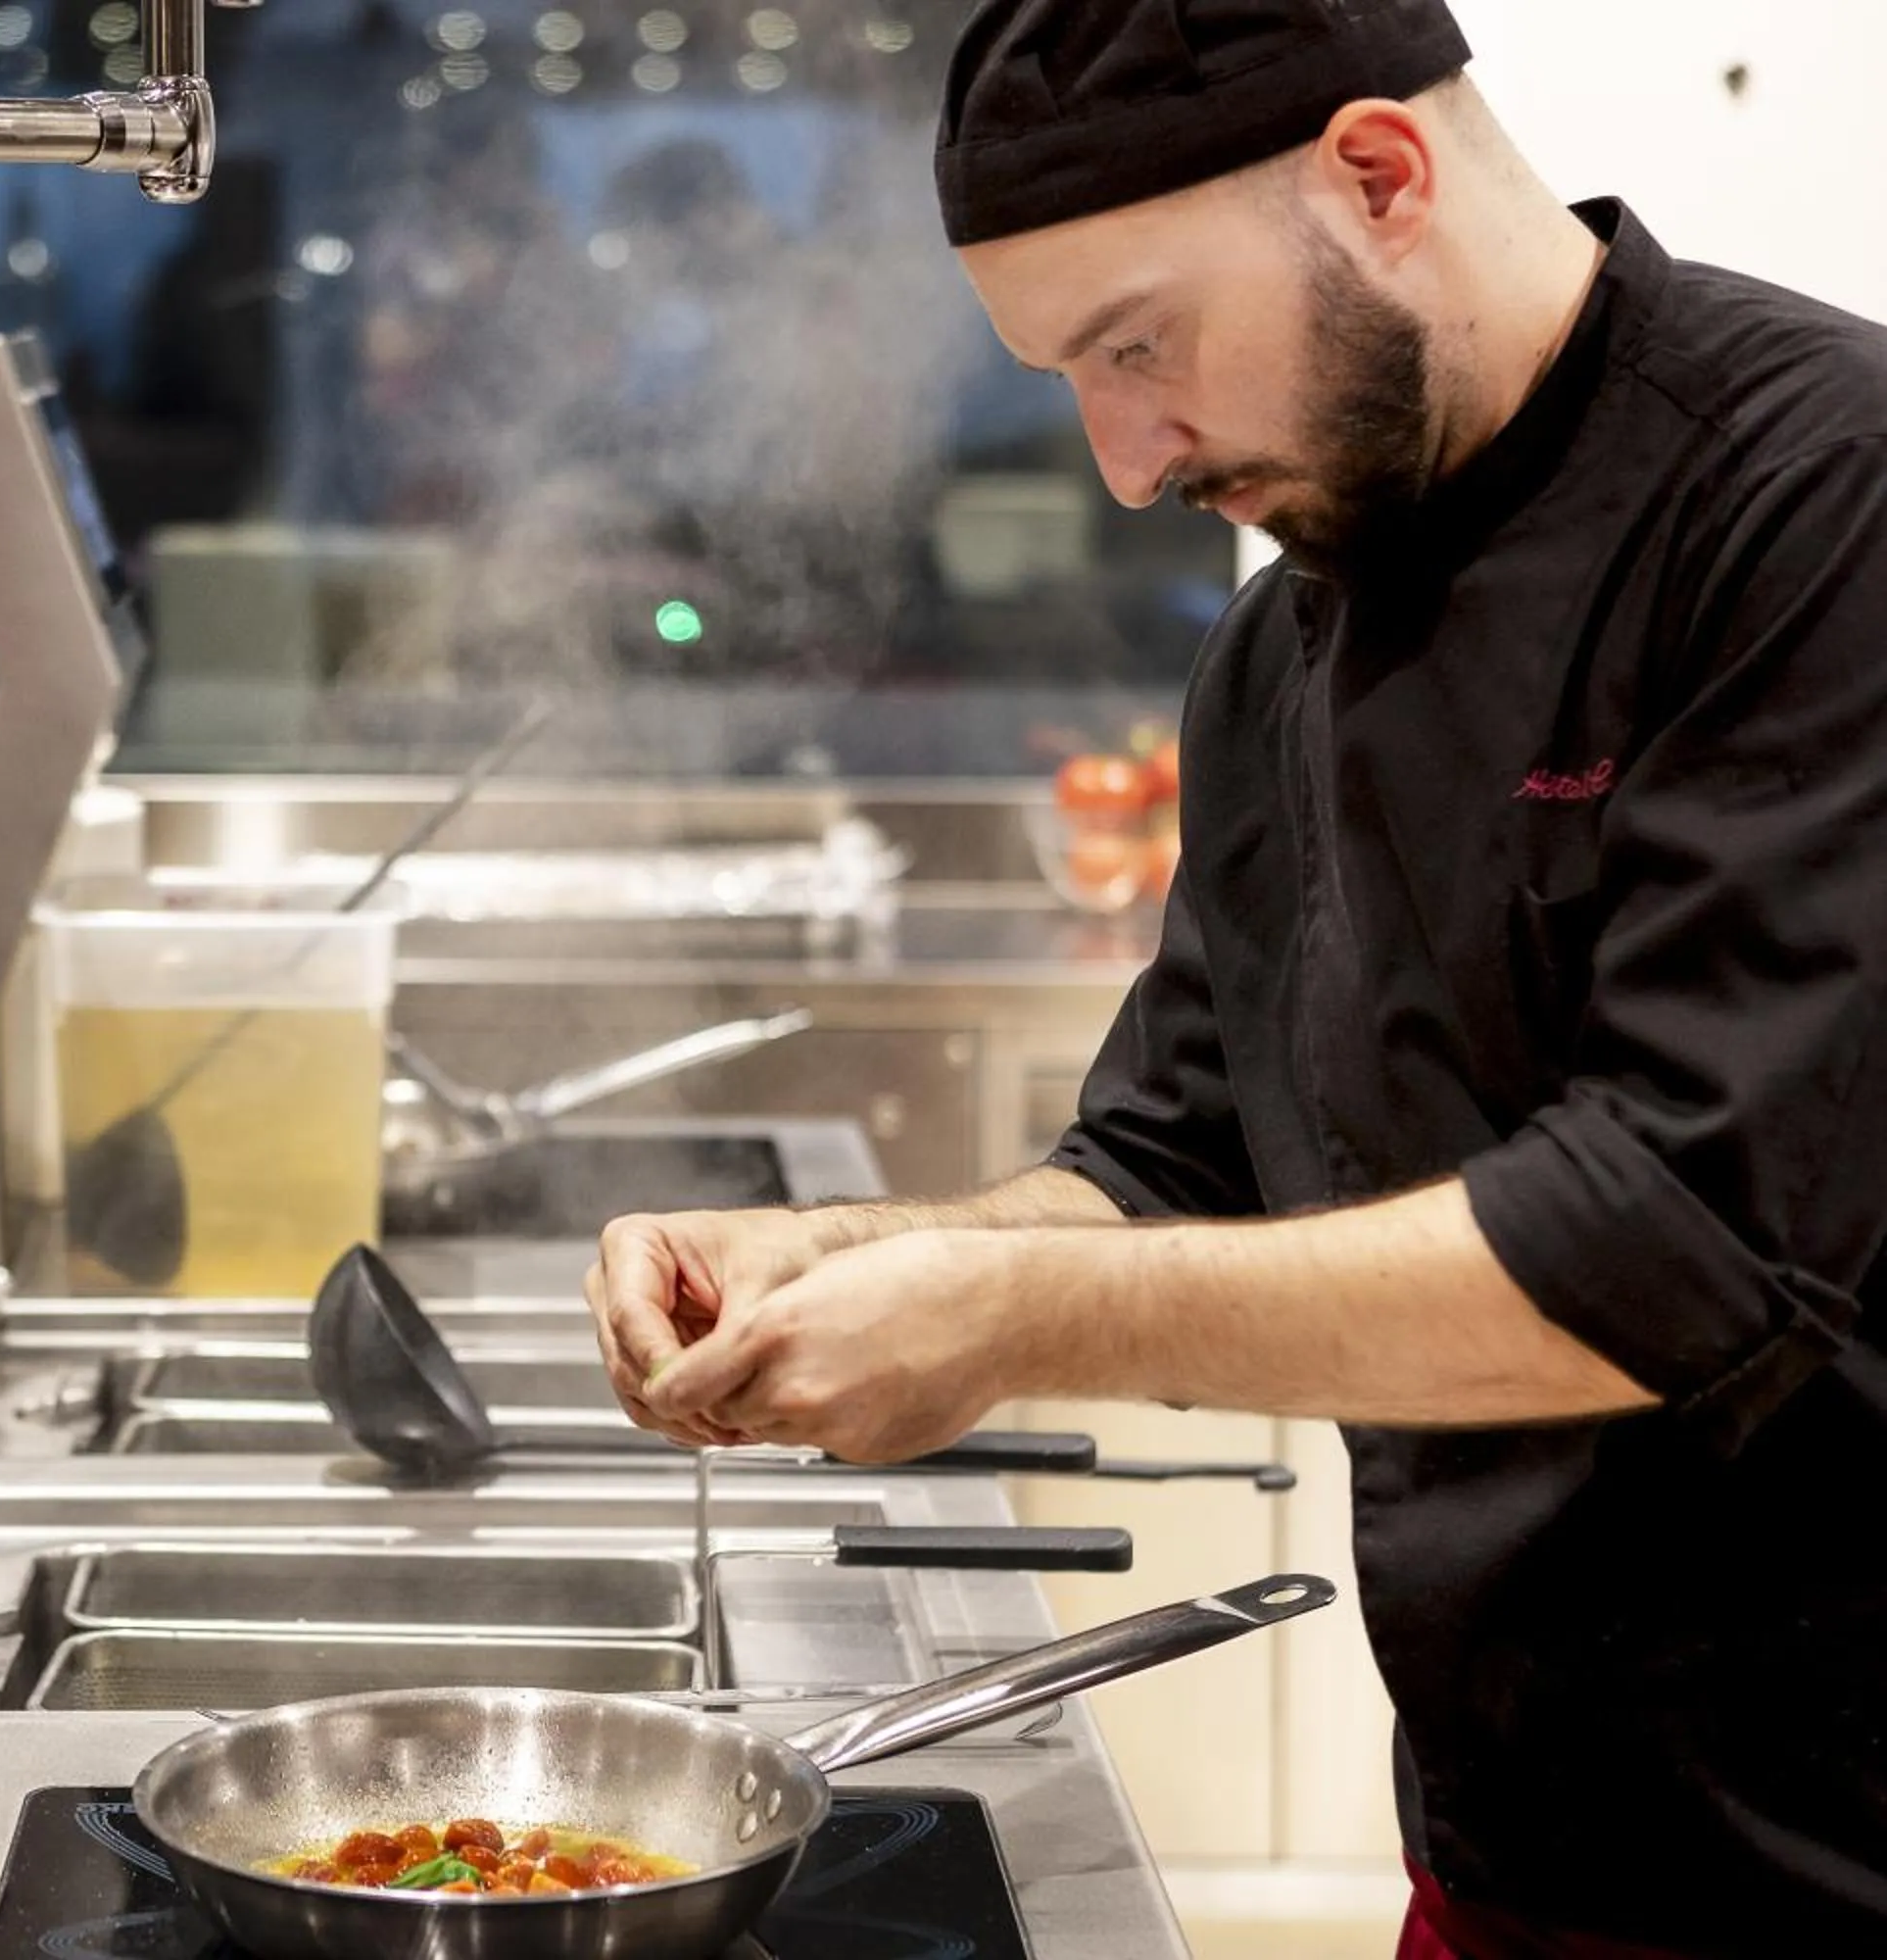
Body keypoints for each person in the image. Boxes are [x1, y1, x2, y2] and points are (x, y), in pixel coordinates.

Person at [584, 2, 1887, 1954]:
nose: (1124, 463)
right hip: (1508, 1868)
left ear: (1380, 175)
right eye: (1072, 379)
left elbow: (1690, 1242)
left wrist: (1010, 1312)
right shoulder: (1283, 656)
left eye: (1139, 342)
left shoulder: (1816, 503)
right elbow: (1175, 1150)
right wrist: (855, 1258)